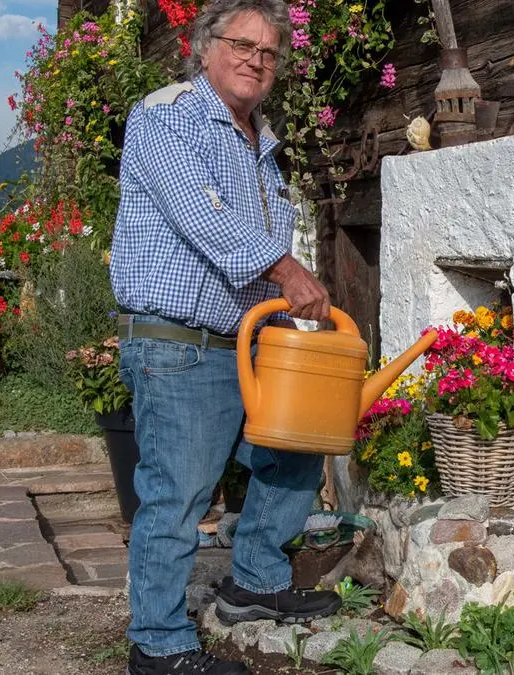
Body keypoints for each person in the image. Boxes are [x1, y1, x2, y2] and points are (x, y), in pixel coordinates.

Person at [110, 0, 341, 672]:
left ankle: (256, 583)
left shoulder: (260, 146)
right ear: (204, 46)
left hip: (247, 345)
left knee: (295, 451)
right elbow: (200, 215)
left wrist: (295, 313)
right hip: (177, 342)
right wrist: (288, 268)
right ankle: (157, 644)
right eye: (242, 44)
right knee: (177, 495)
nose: (255, 60)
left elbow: (260, 244)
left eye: (269, 53)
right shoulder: (168, 115)